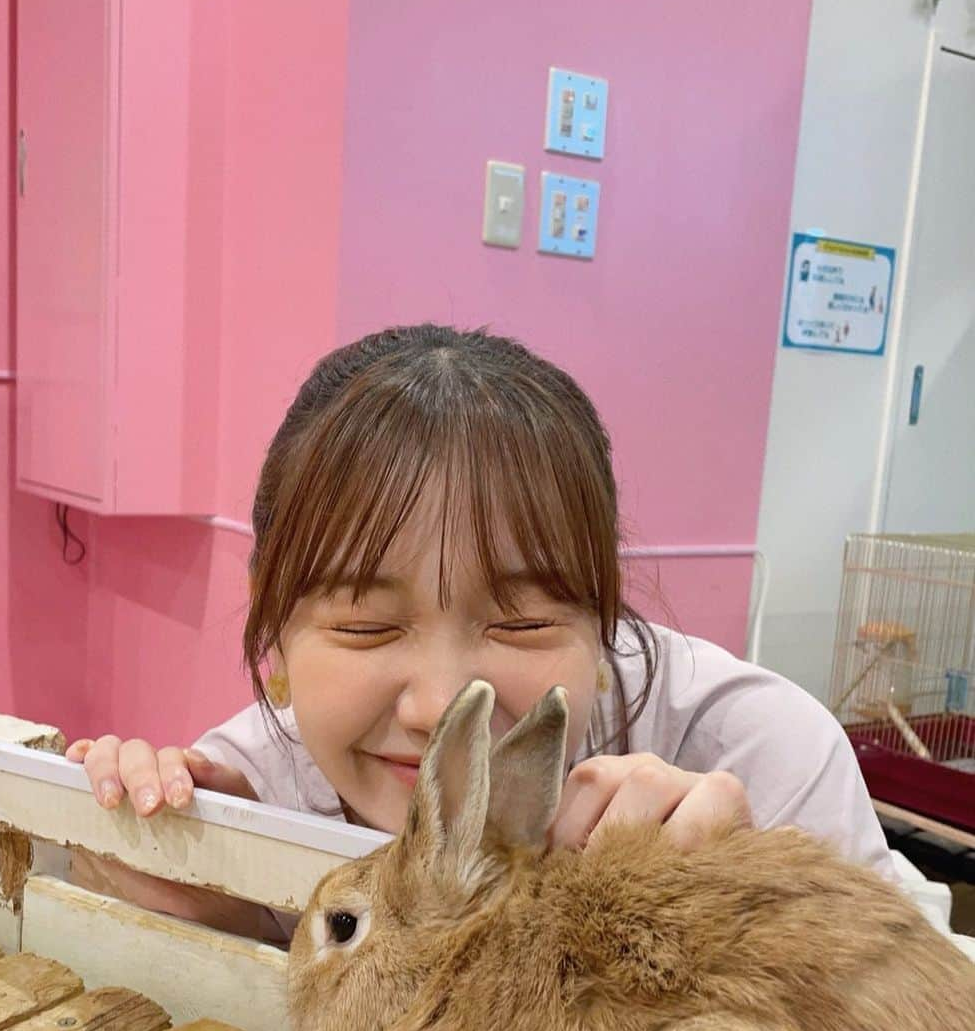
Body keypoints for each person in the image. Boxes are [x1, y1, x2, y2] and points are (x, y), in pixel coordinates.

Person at [66, 323, 892, 944]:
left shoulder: (754, 756)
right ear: (275, 639)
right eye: (366, 624)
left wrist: (750, 919)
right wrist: (206, 893)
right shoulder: (249, 792)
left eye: (523, 622)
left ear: (604, 629)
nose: (437, 706)